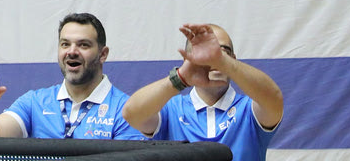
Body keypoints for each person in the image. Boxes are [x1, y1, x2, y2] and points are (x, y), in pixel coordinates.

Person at [122, 24, 284, 161]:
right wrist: (180, 78)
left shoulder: (248, 110)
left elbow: (274, 99)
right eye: (203, 53)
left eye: (223, 52)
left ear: (233, 59)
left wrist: (224, 62)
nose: (213, 58)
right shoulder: (171, 110)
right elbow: (131, 114)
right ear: (187, 60)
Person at [0, 13, 144, 140]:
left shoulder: (127, 111)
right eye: (65, 44)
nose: (72, 52)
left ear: (103, 54)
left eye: (83, 45)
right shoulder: (35, 102)